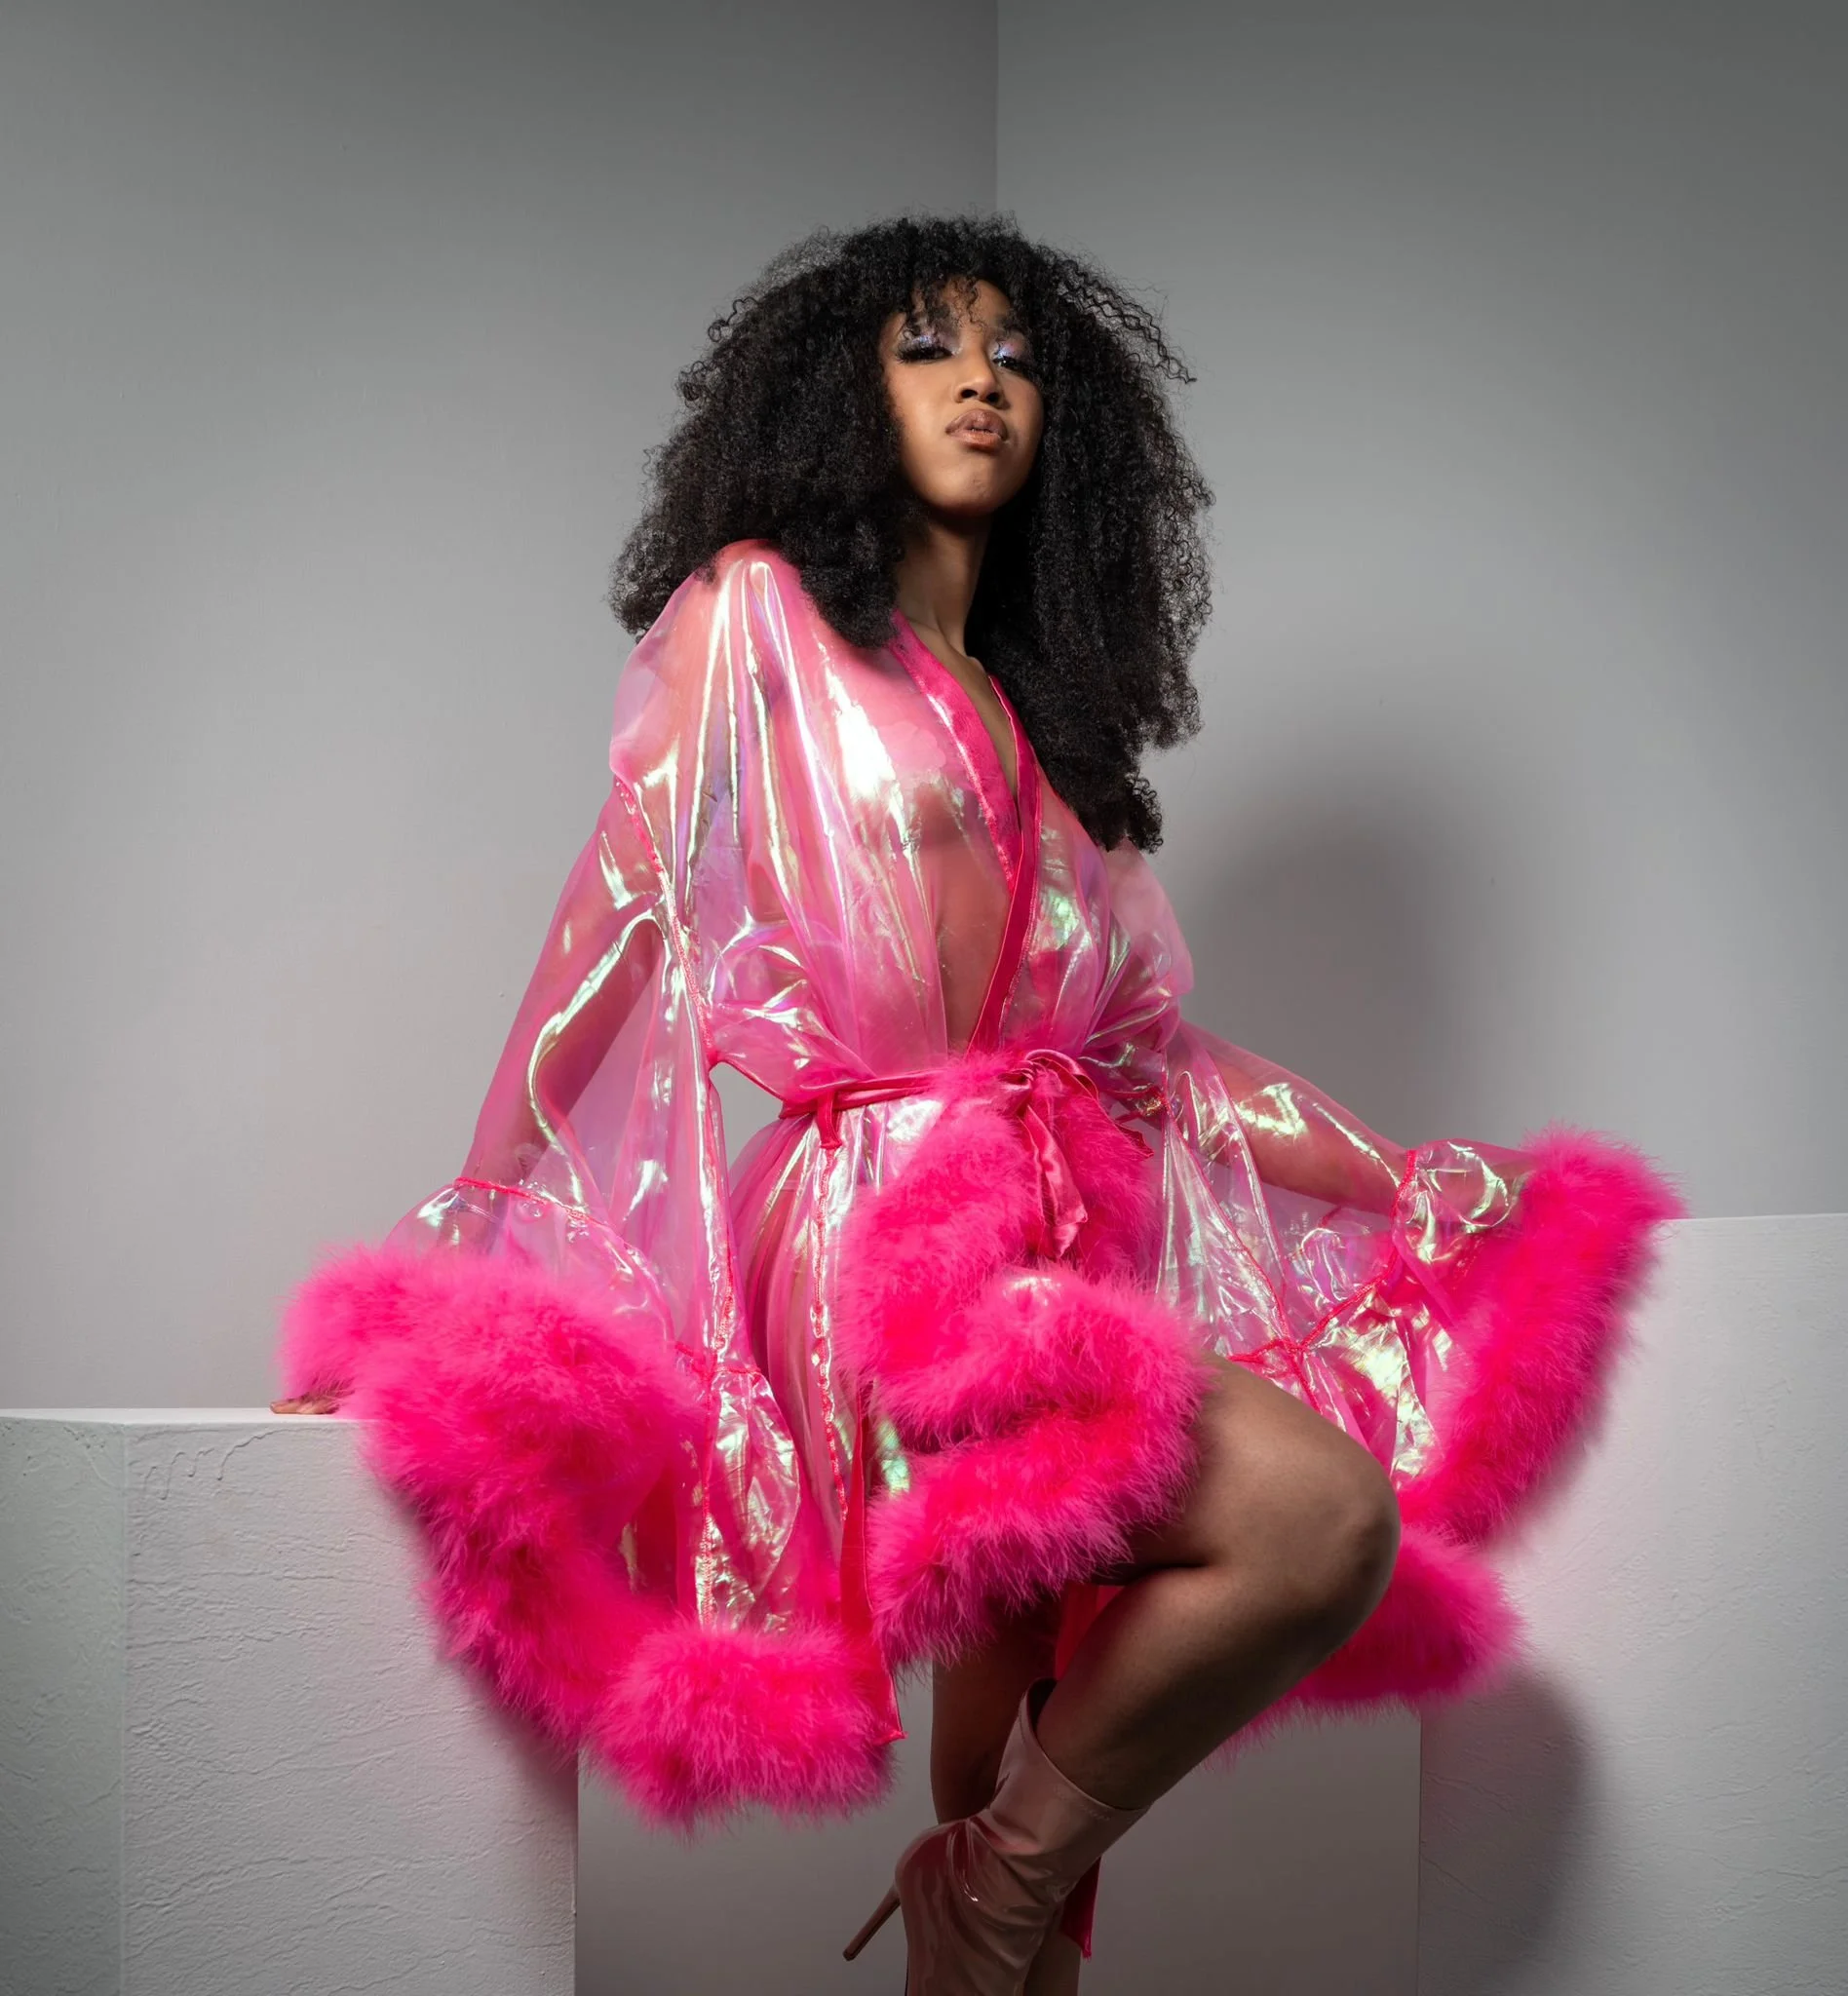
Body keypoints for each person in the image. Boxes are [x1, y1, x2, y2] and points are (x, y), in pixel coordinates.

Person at [273, 213, 1686, 1994]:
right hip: (879, 1243)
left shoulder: (1039, 734)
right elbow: (620, 913)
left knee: (1016, 1706)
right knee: (1316, 1521)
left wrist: (1399, 1178)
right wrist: (469, 1221)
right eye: (927, 348)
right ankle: (994, 1888)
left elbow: (1158, 1068)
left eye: (1014, 359)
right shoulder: (760, 618)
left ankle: (994, 1915)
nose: (977, 386)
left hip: (1050, 1224)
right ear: (840, 394)